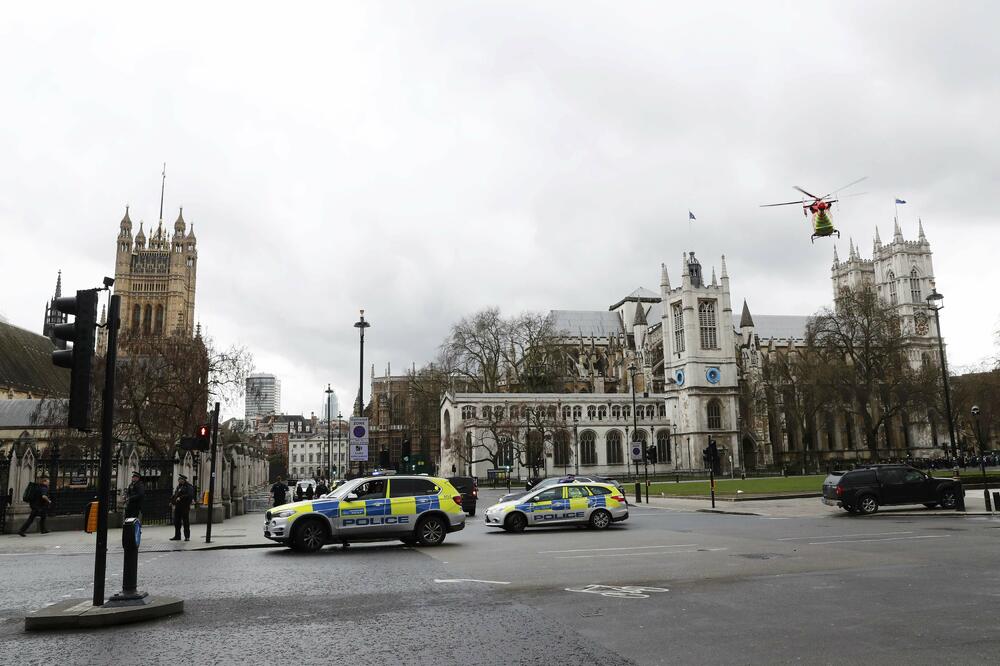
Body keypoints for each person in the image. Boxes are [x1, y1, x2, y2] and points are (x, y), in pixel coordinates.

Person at [169, 473, 195, 541]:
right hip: (178, 507)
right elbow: (175, 495)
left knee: (185, 522)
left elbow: (190, 495)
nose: (178, 480)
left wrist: (181, 498)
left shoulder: (189, 486)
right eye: (178, 479)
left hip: (185, 507)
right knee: (177, 522)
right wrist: (172, 501)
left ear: (183, 480)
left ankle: (187, 536)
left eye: (179, 479)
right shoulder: (179, 486)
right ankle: (177, 536)